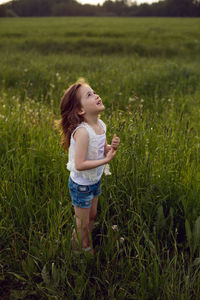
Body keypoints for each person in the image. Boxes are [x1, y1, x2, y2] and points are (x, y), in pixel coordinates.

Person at [59, 79, 120, 254]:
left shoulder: (100, 125)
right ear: (80, 110)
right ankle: (80, 250)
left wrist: (111, 148)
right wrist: (105, 161)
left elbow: (101, 150)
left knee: (92, 216)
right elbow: (79, 164)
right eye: (89, 95)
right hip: (81, 185)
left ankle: (86, 240)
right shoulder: (83, 132)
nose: (96, 95)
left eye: (94, 92)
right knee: (82, 222)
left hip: (94, 180)